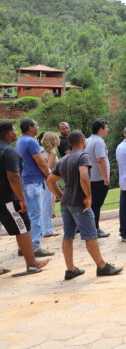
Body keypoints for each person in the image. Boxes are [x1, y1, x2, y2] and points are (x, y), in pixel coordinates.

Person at [48, 130, 122, 279]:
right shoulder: (83, 156)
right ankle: (102, 266)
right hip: (79, 202)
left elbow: (49, 181)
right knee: (90, 235)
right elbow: (83, 177)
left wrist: (60, 196)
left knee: (68, 236)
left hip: (66, 203)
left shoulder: (63, 159)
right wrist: (88, 196)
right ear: (82, 140)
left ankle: (71, 269)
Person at [0, 121, 50, 276]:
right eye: (14, 129)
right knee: (23, 228)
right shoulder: (8, 151)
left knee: (20, 228)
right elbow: (14, 177)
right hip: (8, 198)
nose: (16, 132)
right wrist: (21, 199)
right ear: (8, 133)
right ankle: (32, 263)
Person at [15, 118, 55, 257]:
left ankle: (23, 246)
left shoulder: (20, 141)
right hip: (34, 182)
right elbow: (40, 162)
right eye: (36, 125)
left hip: (25, 181)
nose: (38, 127)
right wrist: (49, 174)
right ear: (30, 127)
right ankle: (34, 246)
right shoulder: (31, 141)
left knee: (27, 216)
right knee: (35, 216)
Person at [85, 119, 111, 238]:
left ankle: (90, 228)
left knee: (92, 204)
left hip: (90, 177)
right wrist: (106, 177)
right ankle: (95, 229)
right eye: (106, 127)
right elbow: (100, 160)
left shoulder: (87, 140)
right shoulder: (99, 142)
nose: (107, 129)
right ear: (100, 129)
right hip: (99, 178)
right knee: (96, 205)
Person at [40, 132, 60, 238]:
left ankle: (43, 229)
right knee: (47, 206)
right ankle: (47, 230)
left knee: (44, 205)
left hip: (44, 181)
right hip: (48, 181)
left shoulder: (43, 152)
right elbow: (48, 168)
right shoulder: (52, 153)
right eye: (57, 138)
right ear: (53, 140)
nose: (59, 140)